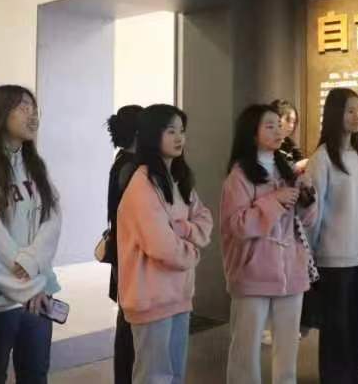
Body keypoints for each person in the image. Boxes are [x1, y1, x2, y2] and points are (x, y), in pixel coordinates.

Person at [0, 85, 62, 384]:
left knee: (35, 374)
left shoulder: (34, 163)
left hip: (38, 291)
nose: (32, 115)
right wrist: (27, 285)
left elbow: (53, 218)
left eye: (34, 108)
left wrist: (33, 263)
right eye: (23, 108)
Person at [221, 104, 319, 384]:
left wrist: (308, 196)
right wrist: (274, 200)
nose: (279, 131)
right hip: (253, 273)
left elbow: (306, 221)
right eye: (270, 126)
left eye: (279, 125)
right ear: (252, 133)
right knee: (246, 349)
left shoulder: (287, 171)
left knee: (288, 349)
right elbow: (237, 225)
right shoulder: (239, 176)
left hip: (291, 272)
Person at [117, 104, 213, 384]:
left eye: (181, 131)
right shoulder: (142, 184)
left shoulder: (178, 180)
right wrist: (193, 252)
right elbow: (160, 245)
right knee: (154, 376)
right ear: (151, 135)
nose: (179, 137)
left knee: (174, 375)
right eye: (170, 131)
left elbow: (204, 219)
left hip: (179, 295)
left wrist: (183, 228)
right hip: (151, 299)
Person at [304, 88, 358, 384]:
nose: (357, 116)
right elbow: (313, 213)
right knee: (336, 325)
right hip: (334, 257)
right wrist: (308, 254)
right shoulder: (321, 159)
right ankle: (335, 378)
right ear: (336, 114)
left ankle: (356, 372)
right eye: (350, 110)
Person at [105, 105, 143, 384]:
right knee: (130, 322)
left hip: (122, 250)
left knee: (127, 319)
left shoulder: (122, 161)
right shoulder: (132, 167)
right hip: (131, 253)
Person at [270, 99, 308, 174]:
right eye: (288, 120)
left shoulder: (289, 142)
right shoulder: (268, 143)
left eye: (294, 122)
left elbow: (300, 159)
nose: (291, 126)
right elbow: (283, 170)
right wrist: (301, 165)